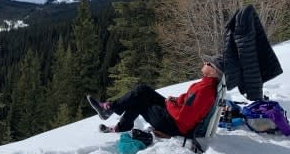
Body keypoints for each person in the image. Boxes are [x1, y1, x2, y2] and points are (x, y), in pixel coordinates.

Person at [88, 56, 224, 137]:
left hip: (174, 125)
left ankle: (113, 114)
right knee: (143, 90)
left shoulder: (205, 91)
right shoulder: (205, 85)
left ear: (214, 71)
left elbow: (184, 118)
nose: (205, 63)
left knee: (140, 101)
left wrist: (169, 104)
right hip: (173, 115)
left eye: (208, 63)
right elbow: (188, 101)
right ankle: (112, 111)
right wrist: (175, 100)